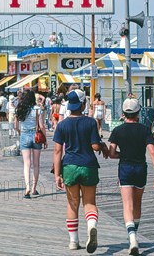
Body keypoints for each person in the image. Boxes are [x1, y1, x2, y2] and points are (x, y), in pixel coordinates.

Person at [53, 89, 109, 252]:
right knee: (90, 203)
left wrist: (57, 175)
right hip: (88, 166)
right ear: (83, 104)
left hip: (69, 166)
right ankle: (91, 226)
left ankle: (73, 241)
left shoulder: (62, 125)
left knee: (72, 204)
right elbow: (95, 146)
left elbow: (57, 151)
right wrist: (103, 146)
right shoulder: (91, 122)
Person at [108, 98, 154, 255]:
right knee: (137, 203)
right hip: (141, 168)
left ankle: (132, 238)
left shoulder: (117, 130)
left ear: (124, 113)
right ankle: (134, 235)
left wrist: (122, 154)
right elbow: (152, 152)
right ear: (138, 112)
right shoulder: (145, 129)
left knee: (127, 204)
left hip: (125, 167)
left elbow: (111, 153)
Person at [15, 90, 47, 198]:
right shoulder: (38, 110)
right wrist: (45, 139)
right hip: (36, 136)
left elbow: (16, 126)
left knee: (26, 164)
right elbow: (41, 126)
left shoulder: (20, 109)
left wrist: (21, 132)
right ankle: (34, 189)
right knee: (36, 164)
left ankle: (27, 187)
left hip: (24, 135)